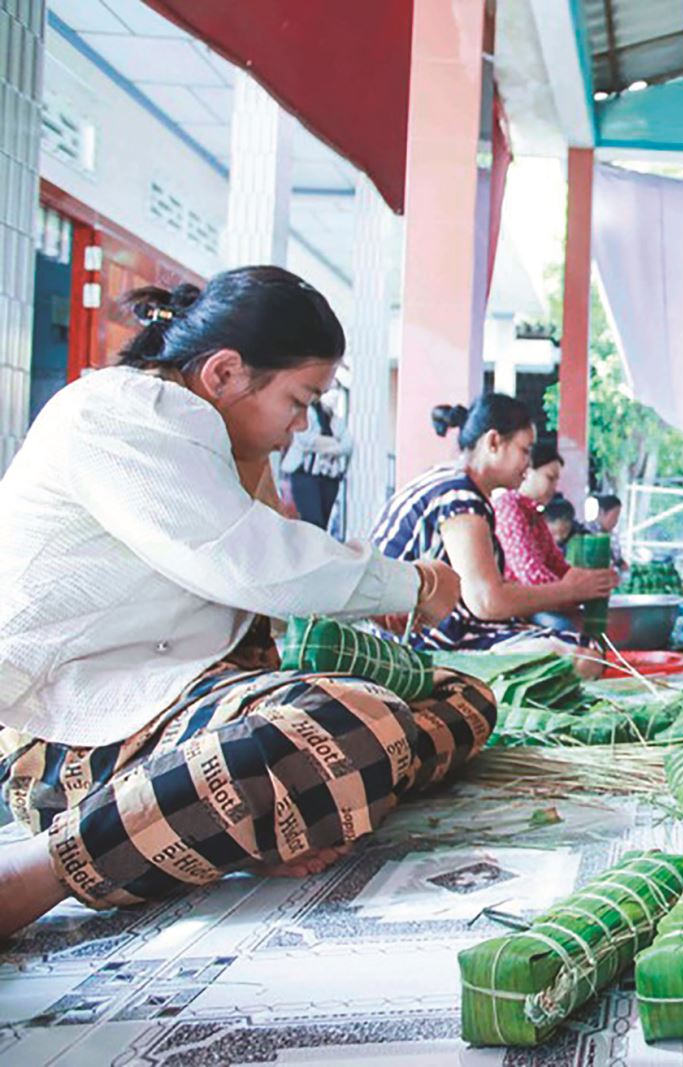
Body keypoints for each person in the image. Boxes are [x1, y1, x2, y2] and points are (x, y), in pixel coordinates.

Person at [0, 267, 487, 938]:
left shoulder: (214, 441)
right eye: (299, 399)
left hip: (172, 714)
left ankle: (253, 813)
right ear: (225, 373)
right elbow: (255, 563)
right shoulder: (122, 413)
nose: (297, 426)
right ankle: (45, 868)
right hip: (70, 736)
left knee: (460, 695)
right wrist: (416, 585)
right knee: (351, 722)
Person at [370, 395, 615, 665]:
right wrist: (570, 591)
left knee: (572, 646)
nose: (528, 464)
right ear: (494, 442)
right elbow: (487, 601)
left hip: (424, 632)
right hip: (413, 642)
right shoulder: (460, 496)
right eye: (524, 450)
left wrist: (574, 584)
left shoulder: (448, 480)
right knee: (584, 656)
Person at [493, 440, 577, 588]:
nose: (555, 487)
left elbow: (558, 566)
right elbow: (531, 576)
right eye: (550, 478)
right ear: (527, 471)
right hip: (514, 608)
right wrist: (573, 590)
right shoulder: (508, 507)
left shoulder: (534, 513)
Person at [280, 393, 352, 530]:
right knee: (312, 522)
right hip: (305, 474)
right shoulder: (308, 412)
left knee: (322, 525)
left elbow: (348, 445)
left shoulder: (334, 419)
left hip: (328, 477)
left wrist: (326, 447)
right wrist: (335, 443)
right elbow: (306, 439)